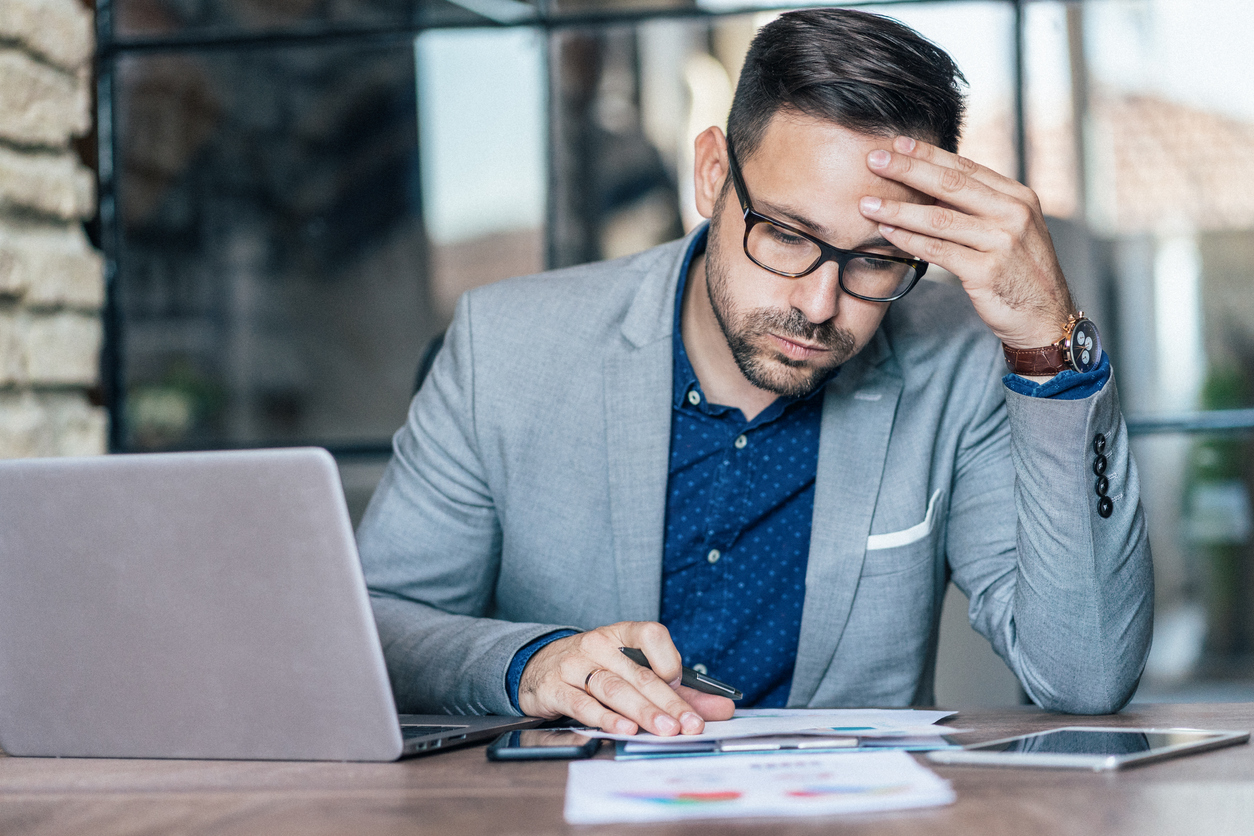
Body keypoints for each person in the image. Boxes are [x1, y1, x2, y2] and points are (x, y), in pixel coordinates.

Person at [356, 8, 1153, 737]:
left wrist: (1050, 345)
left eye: (876, 261)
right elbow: (375, 626)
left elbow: (1084, 676)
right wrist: (530, 663)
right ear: (711, 174)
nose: (818, 302)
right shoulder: (506, 348)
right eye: (785, 234)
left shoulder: (962, 359)